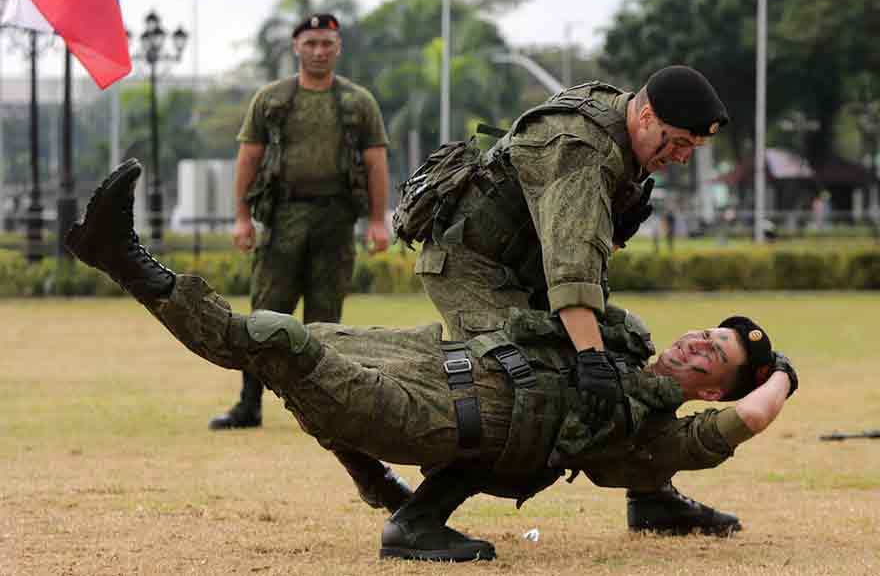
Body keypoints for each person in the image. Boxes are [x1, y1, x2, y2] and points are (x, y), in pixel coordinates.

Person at [64, 159, 798, 562]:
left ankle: (126, 261)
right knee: (303, 343)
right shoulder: (619, 336)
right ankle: (402, 510)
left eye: (715, 355)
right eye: (707, 332)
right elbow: (552, 279)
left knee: (275, 342)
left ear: (714, 388)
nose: (697, 342)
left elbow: (742, 425)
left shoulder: (655, 432)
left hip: (435, 415)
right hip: (425, 353)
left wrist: (783, 377)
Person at [394, 65, 738, 539]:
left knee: (627, 351)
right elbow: (571, 267)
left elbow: (587, 255)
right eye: (676, 142)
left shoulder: (622, 128)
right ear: (645, 113)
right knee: (526, 386)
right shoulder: (582, 150)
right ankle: (417, 520)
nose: (680, 157)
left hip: (529, 264)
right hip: (471, 264)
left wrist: (605, 354)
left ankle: (652, 495)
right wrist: (590, 359)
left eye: (691, 150)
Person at [211, 12, 391, 431]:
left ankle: (324, 410)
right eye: (310, 43)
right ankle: (248, 405)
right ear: (296, 47)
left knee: (326, 321)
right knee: (264, 316)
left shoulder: (358, 103)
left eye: (327, 43)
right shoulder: (272, 100)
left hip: (336, 218)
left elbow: (376, 163)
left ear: (338, 47)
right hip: (283, 218)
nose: (318, 51)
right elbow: (248, 158)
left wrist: (378, 221)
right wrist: (241, 217)